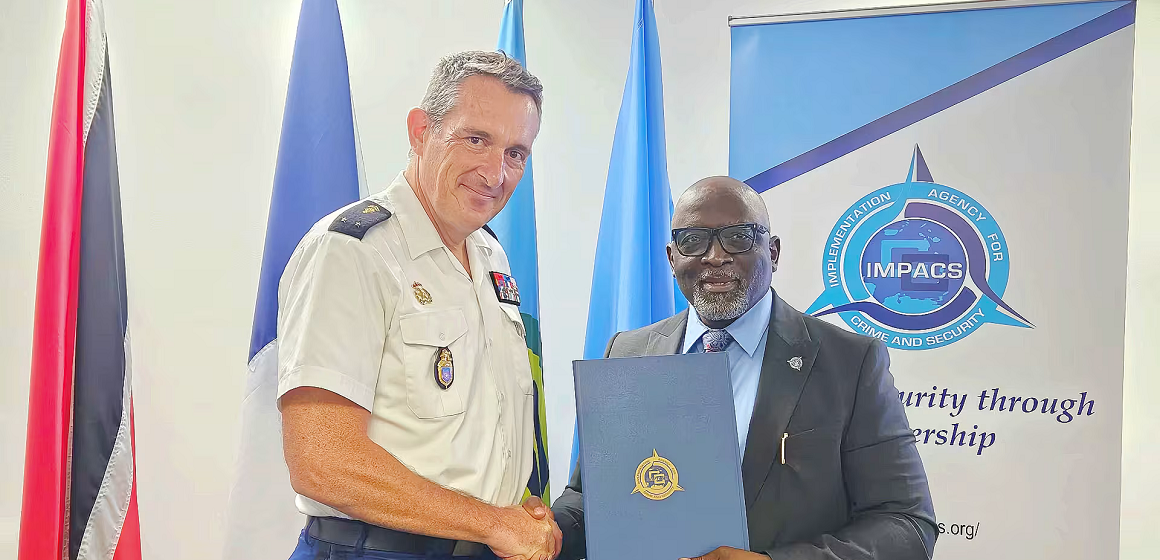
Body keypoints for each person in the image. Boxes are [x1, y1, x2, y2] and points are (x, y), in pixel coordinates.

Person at [552, 177, 937, 560]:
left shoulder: (851, 362)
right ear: (672, 258)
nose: (715, 256)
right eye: (693, 240)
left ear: (773, 251)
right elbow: (593, 497)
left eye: (738, 237)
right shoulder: (627, 352)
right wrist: (545, 530)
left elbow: (907, 525)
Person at [277, 51, 561, 560]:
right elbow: (321, 460)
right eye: (476, 140)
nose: (495, 173)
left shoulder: (489, 253)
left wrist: (519, 510)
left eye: (516, 152)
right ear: (420, 131)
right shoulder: (352, 251)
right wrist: (492, 522)